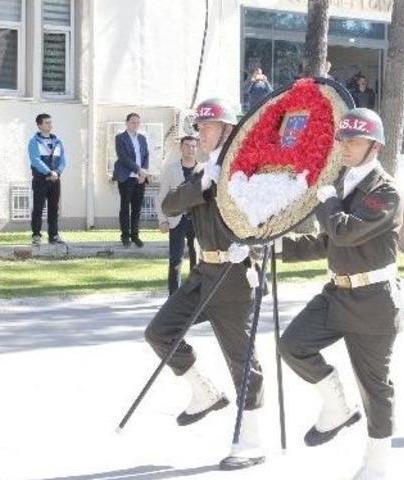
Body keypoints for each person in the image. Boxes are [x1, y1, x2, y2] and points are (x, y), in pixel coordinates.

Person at [279, 108, 403, 480]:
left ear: (375, 147)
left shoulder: (386, 192)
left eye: (354, 140)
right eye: (342, 139)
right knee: (292, 344)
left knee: (375, 387)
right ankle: (337, 406)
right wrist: (276, 247)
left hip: (373, 302)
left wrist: (327, 200)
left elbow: (345, 231)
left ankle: (377, 465)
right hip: (337, 293)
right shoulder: (343, 184)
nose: (344, 146)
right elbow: (328, 241)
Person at [143, 98, 266, 471]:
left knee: (242, 362)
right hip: (203, 273)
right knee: (160, 332)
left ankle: (252, 440)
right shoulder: (204, 172)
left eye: (208, 127)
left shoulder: (245, 173)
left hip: (234, 276)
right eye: (198, 127)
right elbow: (170, 205)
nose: (200, 133)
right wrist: (202, 184)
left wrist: (251, 244)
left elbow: (266, 217)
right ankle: (204, 392)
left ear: (228, 131)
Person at [156, 136, 201, 295]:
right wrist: (162, 220)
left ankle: (195, 294)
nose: (190, 149)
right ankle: (173, 295)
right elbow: (162, 195)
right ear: (181, 148)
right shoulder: (171, 169)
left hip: (197, 221)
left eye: (193, 146)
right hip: (177, 220)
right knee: (175, 259)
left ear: (197, 149)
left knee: (197, 260)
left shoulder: (203, 170)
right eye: (187, 146)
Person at [28, 113, 66, 246]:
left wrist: (57, 172)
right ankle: (36, 235)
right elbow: (35, 160)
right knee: (38, 208)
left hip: (55, 180)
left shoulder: (57, 142)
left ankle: (54, 235)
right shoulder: (34, 142)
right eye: (47, 123)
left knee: (54, 208)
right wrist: (49, 172)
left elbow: (63, 160)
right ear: (39, 125)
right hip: (40, 180)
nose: (50, 125)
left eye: (51, 122)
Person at [113, 113, 150, 248]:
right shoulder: (120, 138)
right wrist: (138, 170)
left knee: (137, 208)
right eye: (133, 122)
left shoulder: (142, 138)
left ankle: (135, 235)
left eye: (138, 123)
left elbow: (146, 155)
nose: (135, 125)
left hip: (140, 178)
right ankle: (125, 236)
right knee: (125, 208)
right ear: (127, 123)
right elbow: (123, 157)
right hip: (126, 177)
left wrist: (143, 172)